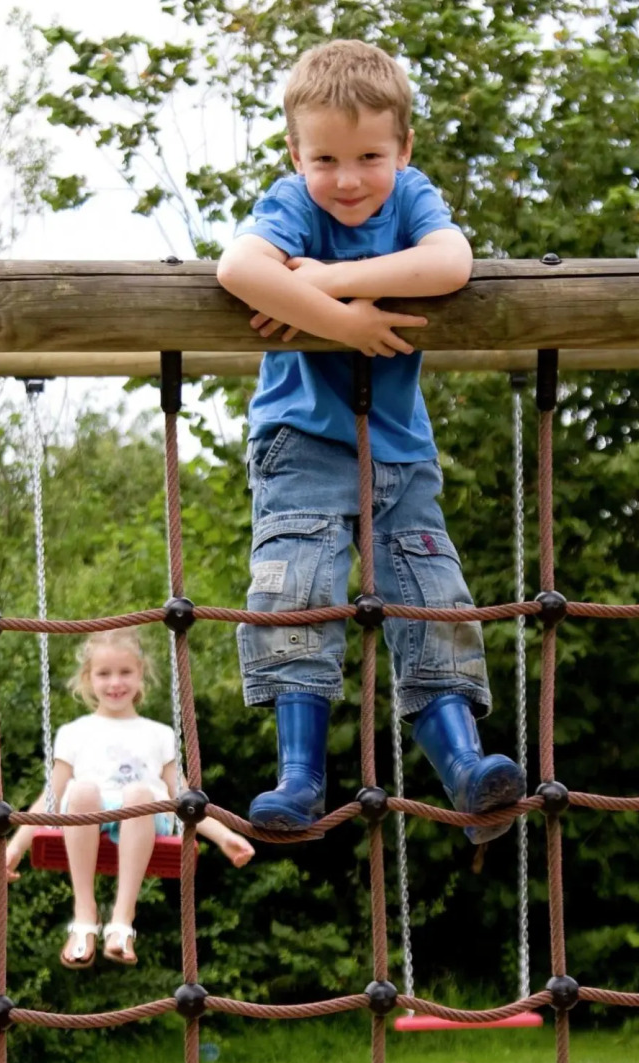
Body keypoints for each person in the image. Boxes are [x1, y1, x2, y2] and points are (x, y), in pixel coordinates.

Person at [215, 39, 523, 844]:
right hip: (301, 440)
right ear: (296, 154)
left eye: (368, 157)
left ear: (404, 149)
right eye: (325, 158)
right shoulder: (294, 202)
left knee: (431, 590)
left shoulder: (411, 197)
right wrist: (348, 325)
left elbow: (451, 263)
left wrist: (322, 282)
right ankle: (298, 779)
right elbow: (239, 270)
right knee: (299, 589)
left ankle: (466, 769)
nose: (347, 179)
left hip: (399, 449)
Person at [5, 628, 254, 968]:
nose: (115, 682)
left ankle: (123, 919)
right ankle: (84, 914)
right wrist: (15, 848)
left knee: (138, 793)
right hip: (85, 817)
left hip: (143, 817)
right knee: (81, 790)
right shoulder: (74, 733)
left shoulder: (159, 734)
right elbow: (49, 799)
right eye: (104, 673)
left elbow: (187, 801)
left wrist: (225, 837)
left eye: (125, 672)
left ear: (140, 675)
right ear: (88, 678)